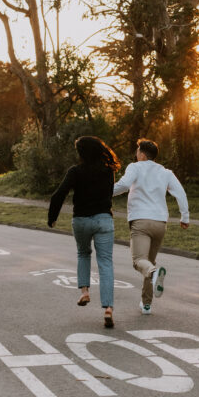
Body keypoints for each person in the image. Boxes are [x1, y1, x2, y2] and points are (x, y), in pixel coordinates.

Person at [47, 136, 121, 329]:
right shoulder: (108, 171)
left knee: (83, 253)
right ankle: (108, 309)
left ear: (81, 153)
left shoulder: (75, 171)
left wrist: (52, 218)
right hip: (104, 220)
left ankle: (85, 292)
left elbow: (58, 194)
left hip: (80, 220)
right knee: (105, 262)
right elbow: (109, 193)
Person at [113, 138, 189, 315]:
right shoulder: (166, 172)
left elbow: (123, 185)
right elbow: (180, 193)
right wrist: (185, 216)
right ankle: (146, 304)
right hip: (160, 224)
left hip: (141, 221)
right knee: (149, 263)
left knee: (138, 261)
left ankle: (154, 275)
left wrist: (103, 192)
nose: (136, 154)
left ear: (142, 154)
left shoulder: (135, 167)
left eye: (137, 150)